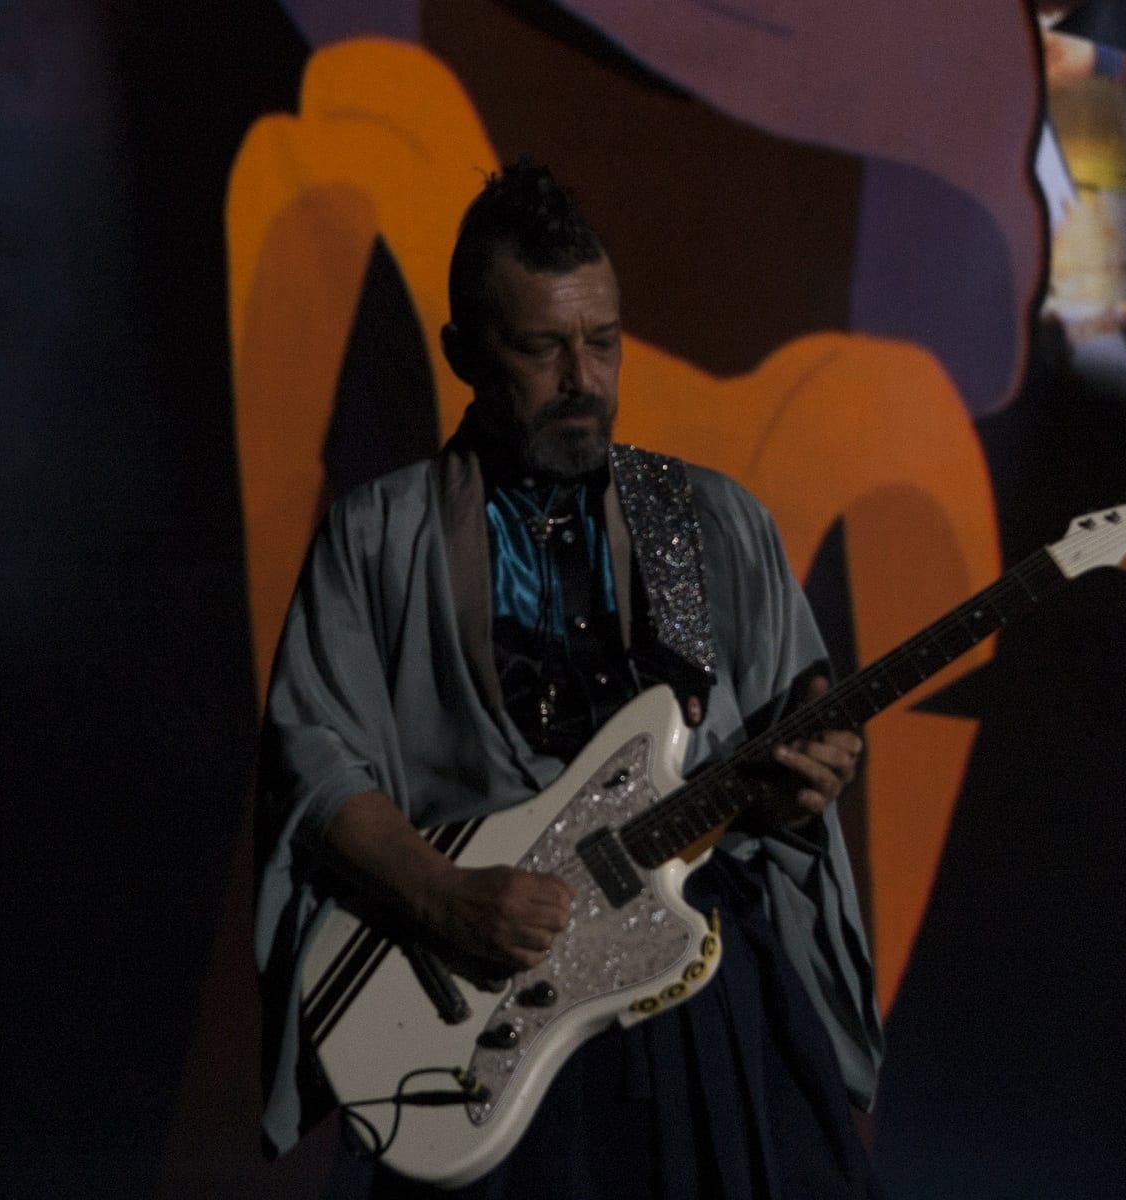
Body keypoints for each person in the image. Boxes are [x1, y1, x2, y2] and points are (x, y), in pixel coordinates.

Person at [254, 163, 884, 1198]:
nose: (582, 377)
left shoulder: (706, 520)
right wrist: (445, 897)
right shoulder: (377, 536)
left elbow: (788, 740)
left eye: (603, 340)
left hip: (702, 997)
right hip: (494, 1020)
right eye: (542, 347)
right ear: (463, 352)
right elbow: (312, 762)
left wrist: (801, 785)